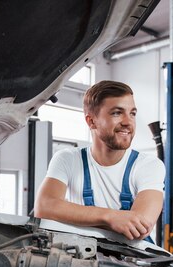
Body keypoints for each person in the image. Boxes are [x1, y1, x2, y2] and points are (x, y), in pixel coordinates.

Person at [34, 80, 165, 241]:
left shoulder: (148, 165)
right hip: (83, 256)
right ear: (91, 121)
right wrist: (110, 217)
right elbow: (44, 207)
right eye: (117, 113)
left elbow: (141, 227)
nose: (128, 122)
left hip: (134, 262)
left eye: (132, 113)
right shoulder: (68, 159)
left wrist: (70, 214)